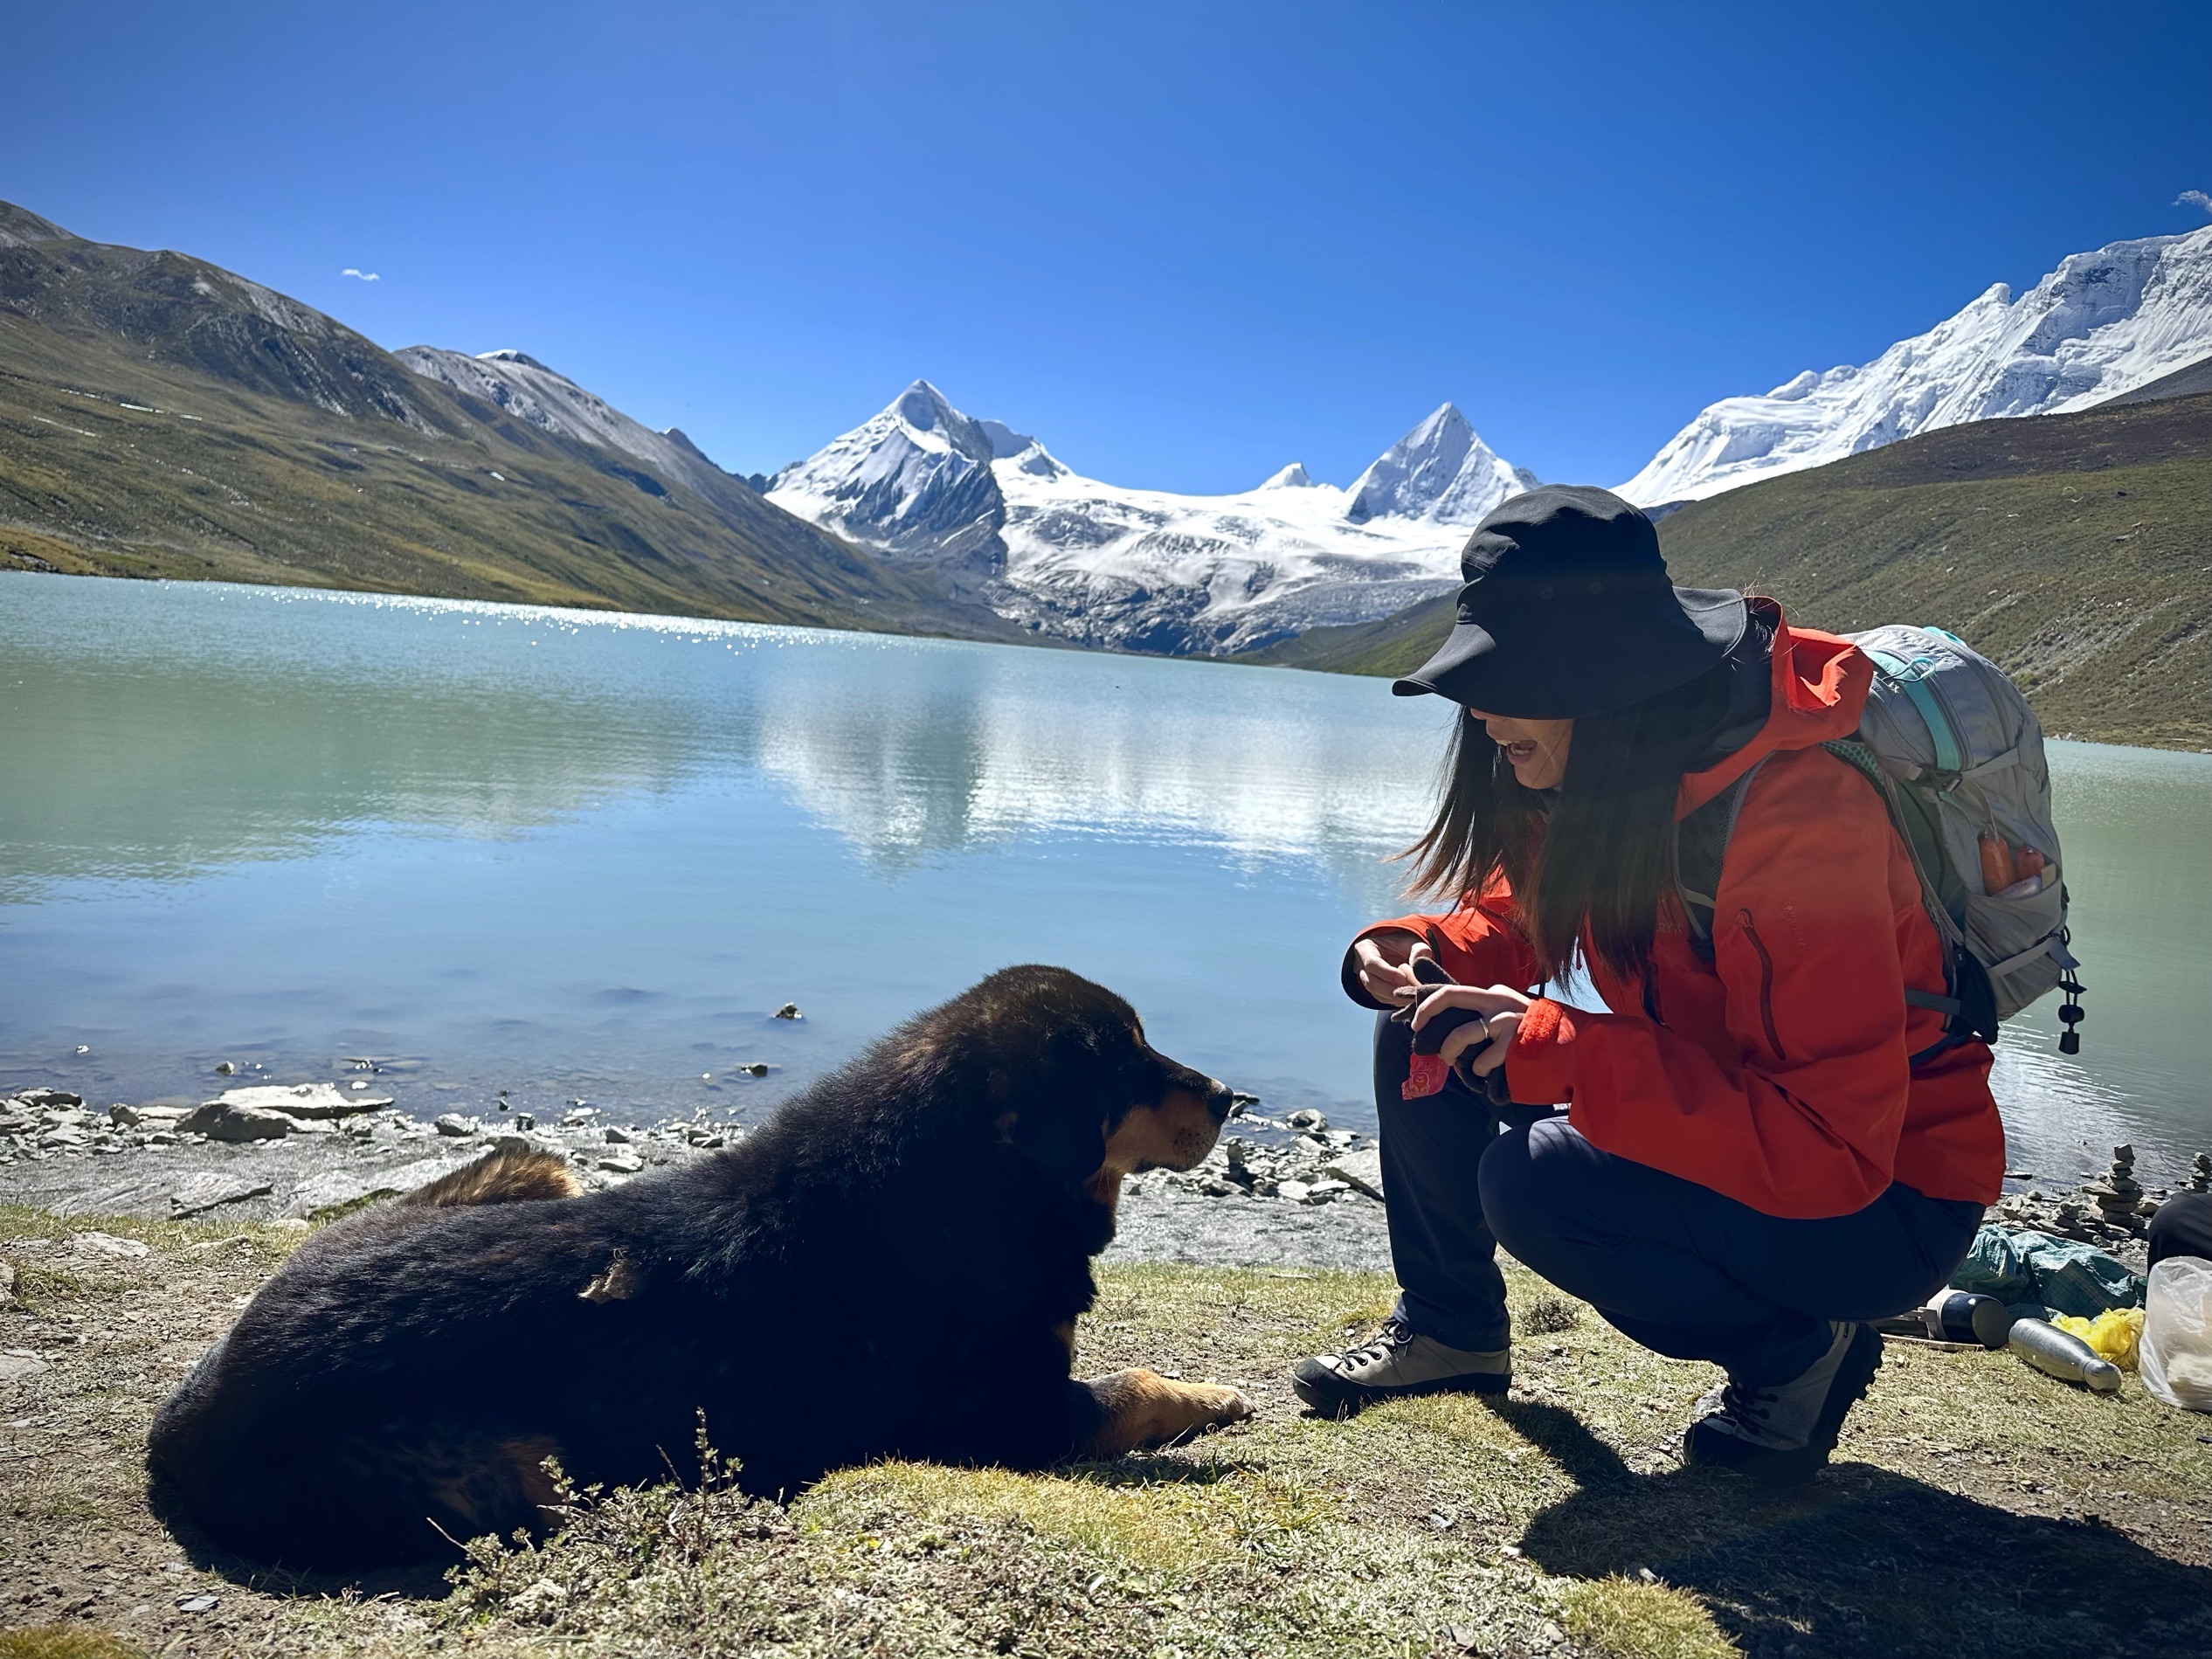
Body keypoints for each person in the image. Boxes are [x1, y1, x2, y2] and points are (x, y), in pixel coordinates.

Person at [1292, 485, 2005, 1488]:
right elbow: (1511, 922)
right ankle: (1452, 1334)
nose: (1480, 709)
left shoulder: (1801, 822)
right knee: (1427, 1020)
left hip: (1883, 1197)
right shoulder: (1607, 777)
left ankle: (1796, 1355)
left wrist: (1570, 1053)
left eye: (1506, 677)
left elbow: (1827, 1151)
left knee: (1533, 1183)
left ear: (1603, 681)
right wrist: (1414, 947)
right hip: (1749, 1134)